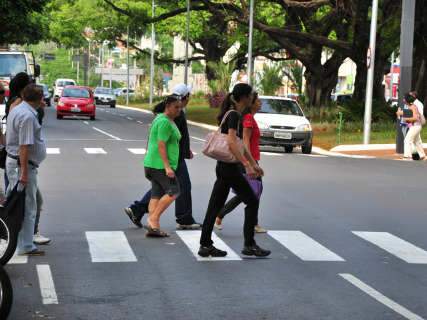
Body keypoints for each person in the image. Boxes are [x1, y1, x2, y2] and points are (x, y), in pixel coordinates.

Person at [199, 83, 271, 258]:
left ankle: (205, 245)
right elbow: (232, 143)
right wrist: (246, 165)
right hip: (229, 168)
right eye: (252, 95)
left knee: (214, 206)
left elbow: (240, 144)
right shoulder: (234, 116)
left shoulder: (235, 114)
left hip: (224, 168)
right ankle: (249, 244)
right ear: (245, 97)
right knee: (252, 201)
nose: (254, 99)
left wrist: (253, 164)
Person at [124, 84, 201, 230]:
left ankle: (139, 211)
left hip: (173, 157)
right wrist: (167, 164)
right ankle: (183, 218)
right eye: (189, 96)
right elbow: (165, 141)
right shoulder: (174, 114)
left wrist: (186, 150)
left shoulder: (171, 111)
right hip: (173, 159)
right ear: (185, 97)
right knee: (179, 188)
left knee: (159, 188)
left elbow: (177, 138)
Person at [215, 92, 267, 233]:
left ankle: (221, 215)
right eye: (258, 101)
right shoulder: (248, 118)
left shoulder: (250, 117)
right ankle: (222, 215)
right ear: (250, 102)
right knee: (252, 192)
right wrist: (250, 163)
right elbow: (245, 142)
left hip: (249, 159)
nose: (260, 103)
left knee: (252, 191)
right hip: (248, 158)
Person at [6, 84, 47, 255]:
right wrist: (24, 172)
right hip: (23, 167)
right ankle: (26, 245)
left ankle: (14, 240)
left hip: (16, 164)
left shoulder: (18, 108)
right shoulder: (28, 116)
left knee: (15, 203)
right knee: (28, 207)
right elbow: (24, 146)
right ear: (38, 99)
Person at [143, 94, 182, 237]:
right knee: (174, 191)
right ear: (168, 107)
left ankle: (153, 227)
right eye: (176, 107)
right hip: (159, 165)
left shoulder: (161, 119)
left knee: (156, 194)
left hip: (152, 163)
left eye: (180, 108)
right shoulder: (165, 121)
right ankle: (153, 218)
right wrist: (167, 166)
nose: (179, 110)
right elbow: (161, 144)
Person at [397, 93, 426, 160]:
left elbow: (416, 118)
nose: (403, 99)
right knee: (416, 141)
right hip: (416, 126)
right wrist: (399, 113)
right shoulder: (411, 106)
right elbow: (405, 113)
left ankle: (408, 156)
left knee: (407, 140)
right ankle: (422, 155)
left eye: (404, 98)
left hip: (416, 126)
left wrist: (406, 119)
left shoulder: (413, 107)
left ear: (407, 99)